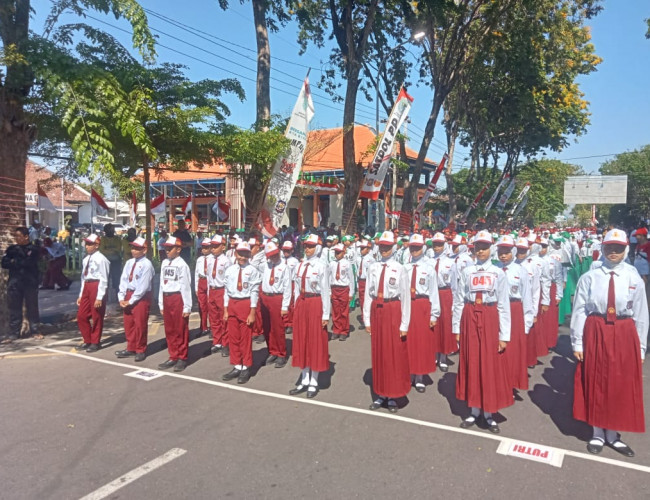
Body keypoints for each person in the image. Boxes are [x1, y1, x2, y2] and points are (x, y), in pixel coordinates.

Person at [571, 228, 649, 457]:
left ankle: (613, 434)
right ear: (602, 248)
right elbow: (579, 311)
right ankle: (596, 431)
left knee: (619, 383)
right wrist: (578, 343)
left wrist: (641, 346)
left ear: (626, 248)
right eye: (609, 247)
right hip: (596, 329)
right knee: (595, 379)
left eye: (618, 248)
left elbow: (641, 314)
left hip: (624, 331)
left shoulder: (633, 276)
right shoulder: (590, 277)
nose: (613, 252)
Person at [452, 230, 511, 433]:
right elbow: (459, 300)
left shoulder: (498, 273)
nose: (481, 251)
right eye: (478, 247)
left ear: (491, 249)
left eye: (485, 247)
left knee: (489, 363)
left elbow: (503, 304)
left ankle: (489, 412)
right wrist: (456, 328)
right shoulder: (467, 272)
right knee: (471, 362)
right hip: (470, 315)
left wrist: (504, 335)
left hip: (489, 315)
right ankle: (474, 409)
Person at [364, 231, 411, 413]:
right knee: (379, 353)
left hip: (393, 310)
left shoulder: (400, 268)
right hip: (378, 310)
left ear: (393, 247)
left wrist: (404, 324)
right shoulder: (373, 267)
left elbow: (405, 298)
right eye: (382, 246)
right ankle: (380, 393)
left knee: (393, 354)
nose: (384, 249)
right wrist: (367, 318)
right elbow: (369, 294)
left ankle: (392, 395)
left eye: (388, 246)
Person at [283, 234, 330, 399]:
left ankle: (314, 381)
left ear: (317, 247)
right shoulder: (300, 265)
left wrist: (325, 314)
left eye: (311, 246)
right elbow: (296, 288)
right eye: (306, 246)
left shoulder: (322, 266)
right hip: (302, 303)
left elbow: (325, 291)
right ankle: (304, 378)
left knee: (315, 341)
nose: (308, 249)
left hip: (315, 302)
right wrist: (296, 306)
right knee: (302, 340)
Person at [495, 235, 534, 393]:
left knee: (512, 350)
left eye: (507, 251)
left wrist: (526, 323)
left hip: (515, 310)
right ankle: (497, 379)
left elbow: (527, 297)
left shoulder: (520, 271)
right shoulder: (494, 269)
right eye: (500, 251)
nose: (503, 255)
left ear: (513, 251)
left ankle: (510, 382)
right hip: (497, 310)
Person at [221, 241, 262, 384]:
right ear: (235, 254)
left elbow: (254, 292)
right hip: (233, 303)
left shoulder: (253, 270)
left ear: (249, 255)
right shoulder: (230, 270)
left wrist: (252, 312)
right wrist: (226, 309)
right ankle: (237, 365)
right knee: (233, 337)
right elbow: (226, 291)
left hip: (245, 303)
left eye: (245, 254)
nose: (242, 257)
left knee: (245, 338)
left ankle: (246, 367)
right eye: (240, 254)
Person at [404, 234, 440, 393]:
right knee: (407, 341)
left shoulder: (429, 269)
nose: (415, 250)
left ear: (423, 248)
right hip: (407, 305)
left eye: (418, 247)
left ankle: (419, 376)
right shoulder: (404, 267)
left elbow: (434, 292)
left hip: (422, 305)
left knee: (421, 342)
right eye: (412, 247)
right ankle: (408, 372)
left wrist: (434, 314)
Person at [116, 237, 154, 362]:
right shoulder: (129, 263)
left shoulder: (147, 265)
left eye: (137, 248)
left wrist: (131, 300)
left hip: (141, 297)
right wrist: (121, 296)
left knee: (140, 323)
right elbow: (124, 279)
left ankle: (140, 349)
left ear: (144, 250)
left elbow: (142, 286)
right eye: (133, 248)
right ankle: (130, 347)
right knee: (129, 323)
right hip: (128, 293)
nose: (134, 251)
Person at [158, 236, 193, 372]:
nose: (167, 250)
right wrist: (161, 303)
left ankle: (182, 357)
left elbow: (185, 285)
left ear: (178, 249)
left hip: (177, 297)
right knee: (170, 329)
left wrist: (187, 306)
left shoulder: (181, 265)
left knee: (180, 328)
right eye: (166, 248)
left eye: (170, 248)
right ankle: (173, 355)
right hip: (167, 297)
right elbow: (162, 282)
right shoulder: (164, 263)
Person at [2, 227, 41, 342]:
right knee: (14, 308)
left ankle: (35, 330)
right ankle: (14, 333)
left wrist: (15, 262)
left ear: (26, 237)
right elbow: (4, 263)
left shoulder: (33, 249)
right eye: (15, 236)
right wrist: (15, 262)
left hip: (30, 282)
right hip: (15, 282)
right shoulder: (12, 249)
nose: (16, 238)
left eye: (19, 236)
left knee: (32, 307)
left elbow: (28, 263)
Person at [259, 241, 292, 368]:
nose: (274, 257)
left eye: (275, 254)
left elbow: (287, 287)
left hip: (277, 298)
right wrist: (264, 250)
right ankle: (272, 350)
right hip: (265, 298)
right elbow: (254, 262)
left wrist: (285, 306)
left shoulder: (284, 267)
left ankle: (281, 353)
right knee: (267, 327)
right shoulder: (265, 265)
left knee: (278, 328)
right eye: (271, 255)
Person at [77, 234, 110, 352]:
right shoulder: (86, 259)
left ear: (96, 245)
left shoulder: (102, 259)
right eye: (86, 244)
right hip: (87, 285)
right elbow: (83, 277)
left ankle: (95, 341)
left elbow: (104, 278)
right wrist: (81, 294)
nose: (87, 246)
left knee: (97, 315)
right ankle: (87, 339)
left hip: (97, 286)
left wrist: (100, 296)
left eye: (90, 244)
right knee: (81, 315)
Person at [429, 232, 456, 371]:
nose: (437, 247)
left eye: (439, 244)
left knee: (445, 324)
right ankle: (433, 353)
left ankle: (443, 356)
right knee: (433, 325)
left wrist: (454, 305)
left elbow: (455, 286)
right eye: (435, 244)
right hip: (432, 294)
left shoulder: (450, 262)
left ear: (444, 245)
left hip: (445, 293)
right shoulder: (428, 261)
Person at [207, 235, 230, 356]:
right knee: (214, 318)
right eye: (212, 246)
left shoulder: (226, 261)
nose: (213, 249)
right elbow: (208, 277)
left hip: (222, 290)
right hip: (212, 290)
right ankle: (217, 341)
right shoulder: (209, 259)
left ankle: (226, 343)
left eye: (216, 246)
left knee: (224, 319)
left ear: (223, 246)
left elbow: (228, 280)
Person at [329, 243, 354, 340]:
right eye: (336, 252)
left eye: (339, 252)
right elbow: (329, 277)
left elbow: (351, 278)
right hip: (335, 288)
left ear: (344, 253)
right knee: (335, 310)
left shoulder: (347, 263)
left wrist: (351, 293)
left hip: (343, 289)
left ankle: (344, 331)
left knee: (343, 311)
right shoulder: (332, 263)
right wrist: (329, 291)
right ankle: (336, 329)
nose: (337, 254)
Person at [99, 223, 123, 301]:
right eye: (109, 229)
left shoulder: (117, 239)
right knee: (105, 279)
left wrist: (108, 250)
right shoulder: (103, 239)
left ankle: (118, 296)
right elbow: (102, 251)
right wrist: (113, 250)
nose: (111, 231)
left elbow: (119, 249)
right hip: (105, 262)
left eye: (112, 229)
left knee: (117, 279)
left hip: (116, 262)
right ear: (105, 231)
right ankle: (104, 297)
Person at [195, 238, 213, 336]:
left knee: (210, 305)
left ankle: (212, 327)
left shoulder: (212, 259)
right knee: (202, 306)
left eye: (206, 247)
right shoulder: (200, 259)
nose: (204, 249)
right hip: (201, 281)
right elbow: (196, 273)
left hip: (209, 281)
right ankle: (203, 327)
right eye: (203, 247)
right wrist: (196, 287)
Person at [281, 240, 299, 333]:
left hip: (291, 283)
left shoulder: (295, 261)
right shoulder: (280, 260)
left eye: (288, 250)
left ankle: (290, 323)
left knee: (291, 304)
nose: (286, 252)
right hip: (281, 284)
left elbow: (297, 275)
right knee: (282, 303)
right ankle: (283, 322)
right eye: (284, 250)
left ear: (292, 250)